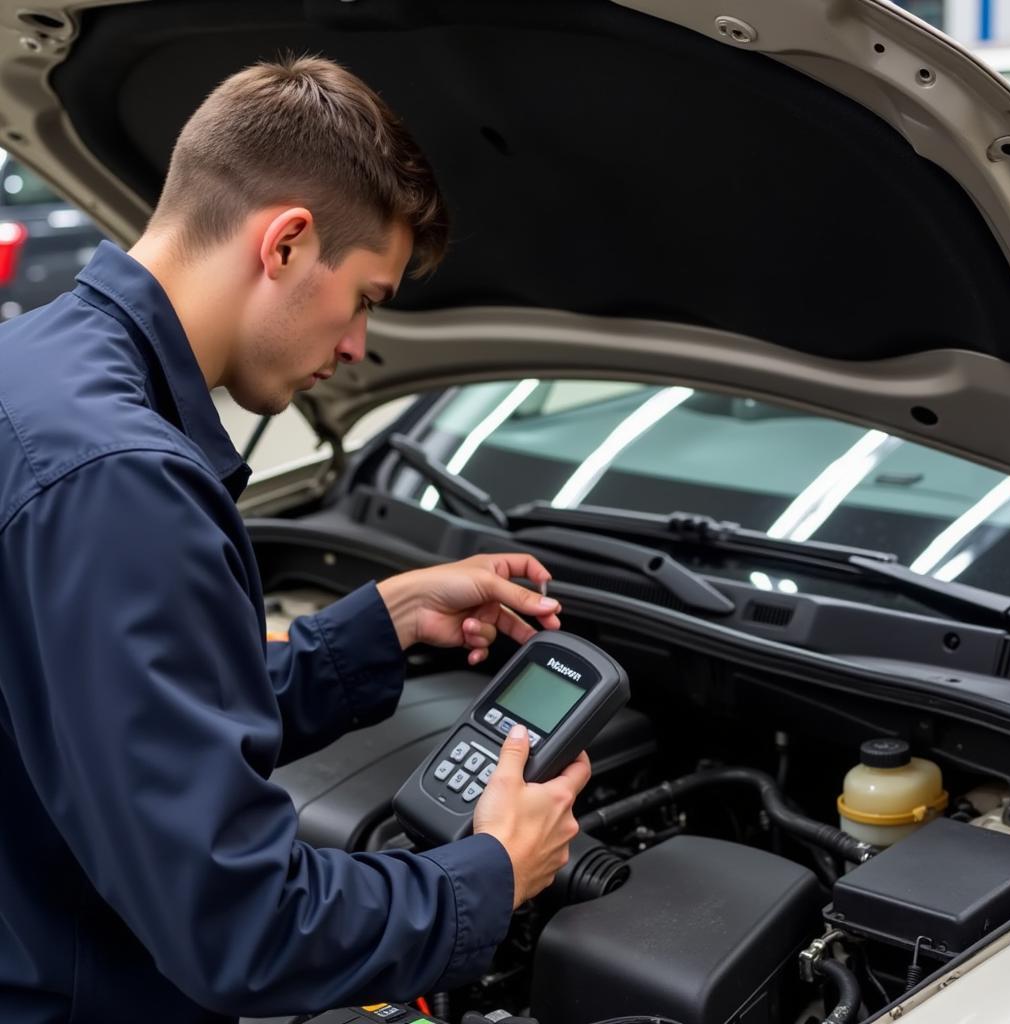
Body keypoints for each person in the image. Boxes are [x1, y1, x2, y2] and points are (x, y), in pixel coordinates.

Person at [0, 55, 590, 1023]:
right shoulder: (122, 483)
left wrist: (380, 623)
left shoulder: (33, 371)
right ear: (284, 243)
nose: (359, 345)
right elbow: (242, 927)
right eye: (365, 296)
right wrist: (489, 871)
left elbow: (94, 710)